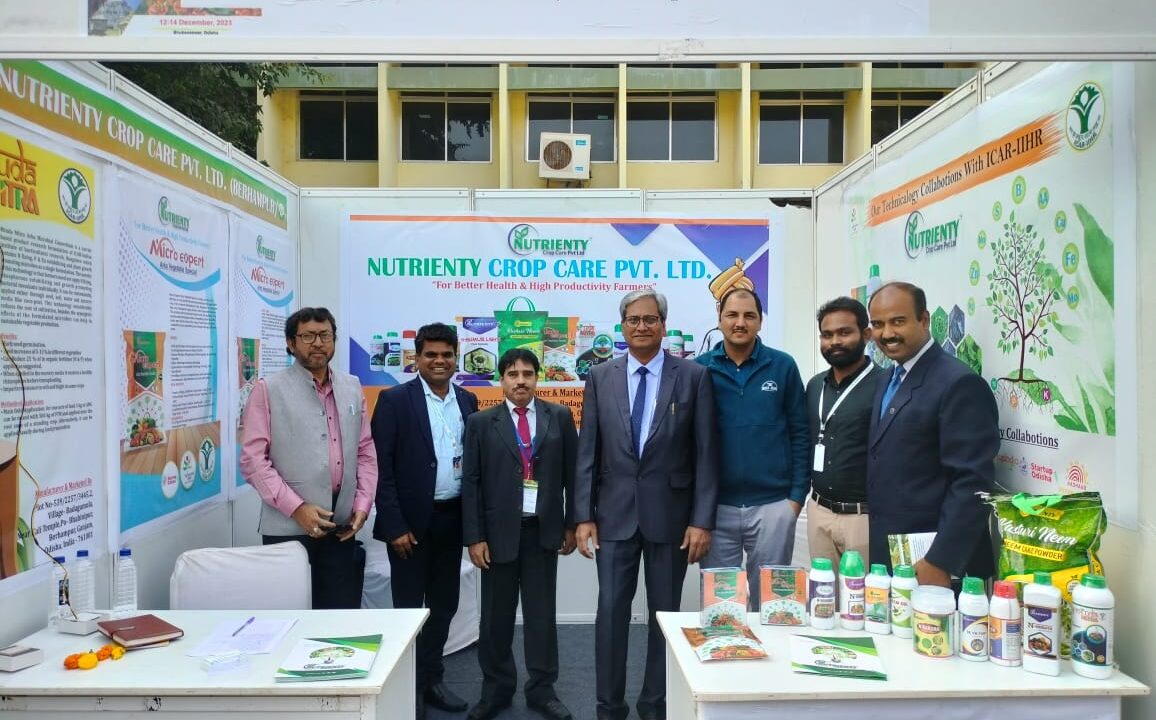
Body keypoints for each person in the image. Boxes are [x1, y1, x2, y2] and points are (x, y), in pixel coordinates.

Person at [574, 289, 719, 720]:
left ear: (663, 324)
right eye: (634, 319)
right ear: (622, 326)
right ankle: (609, 707)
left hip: (671, 520)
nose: (642, 326)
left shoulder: (693, 376)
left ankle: (656, 704)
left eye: (650, 319)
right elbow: (588, 451)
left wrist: (701, 521)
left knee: (665, 619)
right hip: (613, 516)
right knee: (610, 616)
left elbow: (707, 455)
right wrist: (582, 515)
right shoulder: (601, 376)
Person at [461, 349, 578, 720]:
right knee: (495, 619)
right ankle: (496, 690)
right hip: (496, 537)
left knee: (542, 617)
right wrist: (474, 537)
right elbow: (472, 483)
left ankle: (542, 690)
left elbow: (574, 477)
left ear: (537, 377)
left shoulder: (558, 416)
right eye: (513, 374)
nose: (521, 380)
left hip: (542, 532)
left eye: (528, 373)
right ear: (502, 379)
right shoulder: (482, 422)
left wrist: (572, 524)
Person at [372, 322, 478, 717]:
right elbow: (381, 469)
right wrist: (395, 526)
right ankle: (402, 684)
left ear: (456, 358)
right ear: (417, 358)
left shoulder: (467, 400)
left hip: (452, 519)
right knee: (408, 608)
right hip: (410, 527)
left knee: (444, 603)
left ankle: (431, 678)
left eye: (446, 354)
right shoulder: (395, 400)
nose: (439, 361)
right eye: (431, 354)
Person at [240, 306, 377, 609]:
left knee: (338, 617)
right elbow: (252, 461)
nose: (318, 343)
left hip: (341, 527)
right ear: (291, 343)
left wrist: (362, 505)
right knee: (289, 619)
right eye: (308, 336)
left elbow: (365, 451)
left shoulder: (351, 386)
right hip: (289, 529)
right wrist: (297, 507)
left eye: (324, 335)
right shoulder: (268, 390)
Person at [867, 281, 1000, 585]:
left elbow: (973, 481)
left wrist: (942, 561)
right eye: (877, 324)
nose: (886, 333)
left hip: (935, 566)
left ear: (924, 320)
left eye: (898, 321)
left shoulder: (958, 383)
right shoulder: (887, 377)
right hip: (895, 557)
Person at [696, 287, 809, 608]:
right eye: (732, 315)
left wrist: (796, 499)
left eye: (749, 316)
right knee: (722, 607)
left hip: (774, 506)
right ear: (719, 319)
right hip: (716, 510)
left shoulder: (783, 366)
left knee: (773, 604)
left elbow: (801, 434)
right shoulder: (700, 369)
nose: (740, 322)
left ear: (760, 322)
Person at [805, 296, 880, 568]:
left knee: (864, 603)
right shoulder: (815, 386)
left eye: (844, 332)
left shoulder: (885, 386)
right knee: (823, 600)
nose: (834, 341)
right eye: (827, 335)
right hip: (819, 511)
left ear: (866, 334)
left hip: (863, 518)